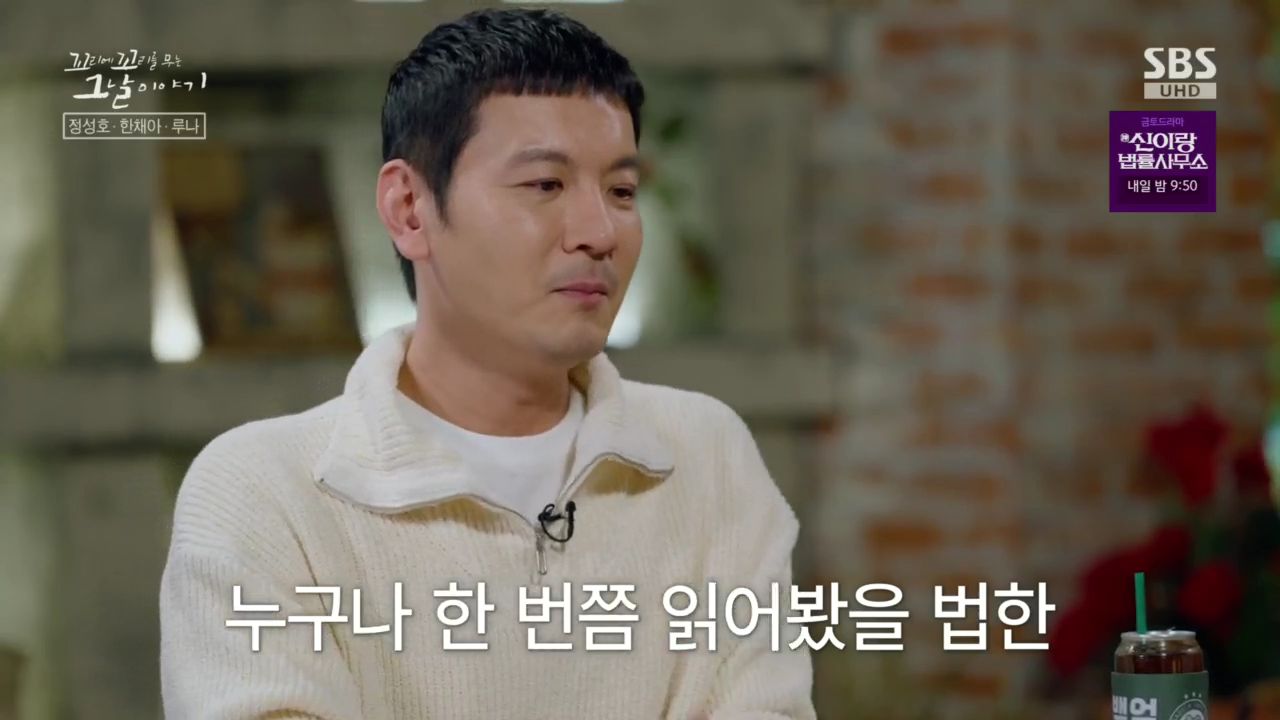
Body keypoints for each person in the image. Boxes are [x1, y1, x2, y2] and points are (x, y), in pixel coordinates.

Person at [159, 8, 814, 719]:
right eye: (545, 185)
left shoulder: (706, 455)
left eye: (622, 192)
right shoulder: (264, 492)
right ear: (410, 209)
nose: (599, 232)